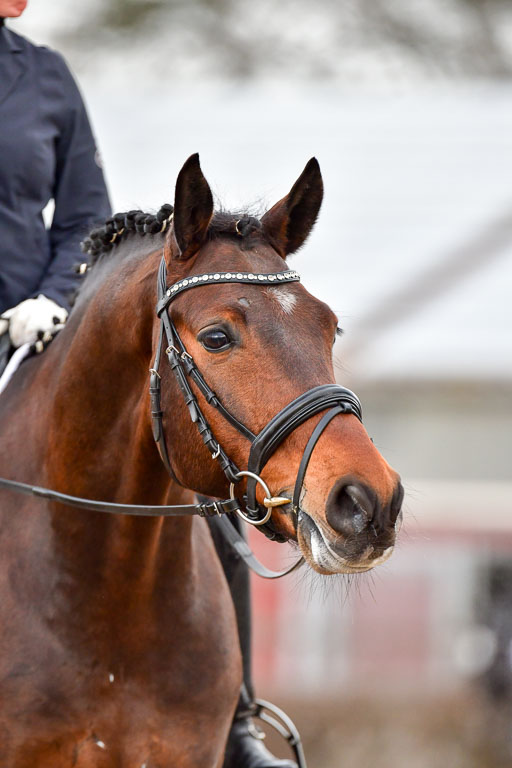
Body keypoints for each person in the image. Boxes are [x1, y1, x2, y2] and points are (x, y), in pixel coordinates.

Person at [0, 6, 296, 767]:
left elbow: (84, 217)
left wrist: (53, 299)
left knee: (193, 490)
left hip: (35, 330)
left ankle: (235, 718)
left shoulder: (45, 79)